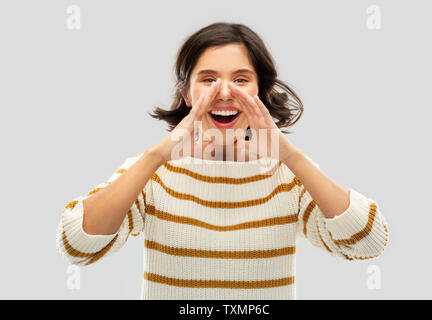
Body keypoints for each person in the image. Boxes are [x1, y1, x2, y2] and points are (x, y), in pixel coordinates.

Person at [56, 22, 389, 300]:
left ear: (261, 91)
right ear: (186, 94)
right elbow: (77, 245)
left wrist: (289, 155)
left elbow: (368, 242)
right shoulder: (154, 172)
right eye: (208, 79)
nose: (225, 92)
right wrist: (157, 155)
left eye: (241, 79)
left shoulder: (288, 174)